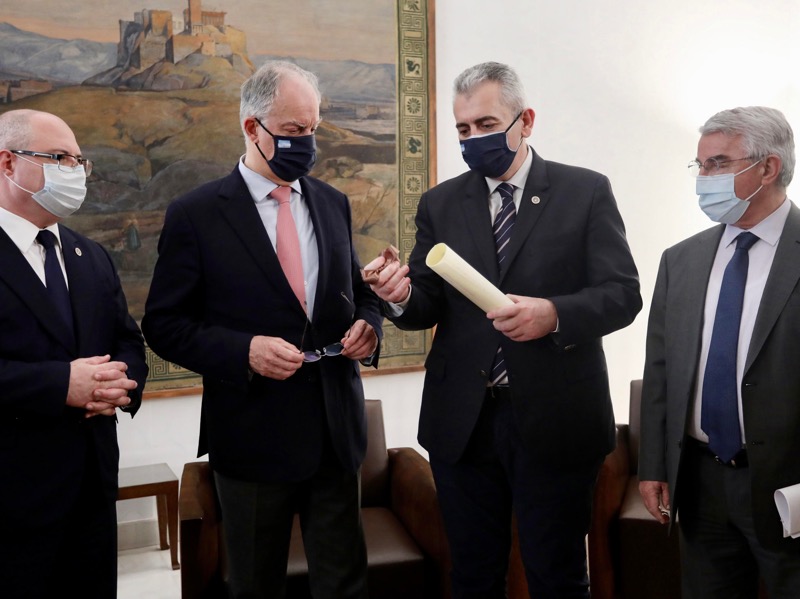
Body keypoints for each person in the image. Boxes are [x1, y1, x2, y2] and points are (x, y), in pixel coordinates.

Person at [365, 61, 641, 598]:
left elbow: (622, 294)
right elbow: (426, 303)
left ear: (526, 121)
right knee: (472, 576)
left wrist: (553, 314)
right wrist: (398, 296)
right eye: (463, 128)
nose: (474, 139)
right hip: (463, 422)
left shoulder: (585, 191)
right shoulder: (441, 203)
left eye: (487, 124)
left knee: (556, 575)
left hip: (556, 419)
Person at [142, 61, 382, 599]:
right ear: (252, 128)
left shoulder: (333, 202)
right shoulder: (196, 214)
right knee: (254, 585)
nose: (308, 142)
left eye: (313, 128)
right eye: (295, 130)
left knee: (345, 585)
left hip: (336, 435)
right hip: (251, 438)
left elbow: (357, 292)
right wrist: (244, 350)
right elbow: (164, 325)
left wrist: (369, 326)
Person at [639, 106, 800, 598]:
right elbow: (661, 371)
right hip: (700, 482)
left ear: (768, 168)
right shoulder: (681, 259)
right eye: (701, 164)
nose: (703, 178)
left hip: (788, 485)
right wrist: (654, 466)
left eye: (718, 163)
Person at [0, 109, 148, 598]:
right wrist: (60, 384)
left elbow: (127, 339)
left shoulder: (91, 255)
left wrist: (119, 384)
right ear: (7, 163)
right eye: (59, 157)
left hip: (92, 489)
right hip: (13, 498)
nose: (74, 171)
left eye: (79, 161)